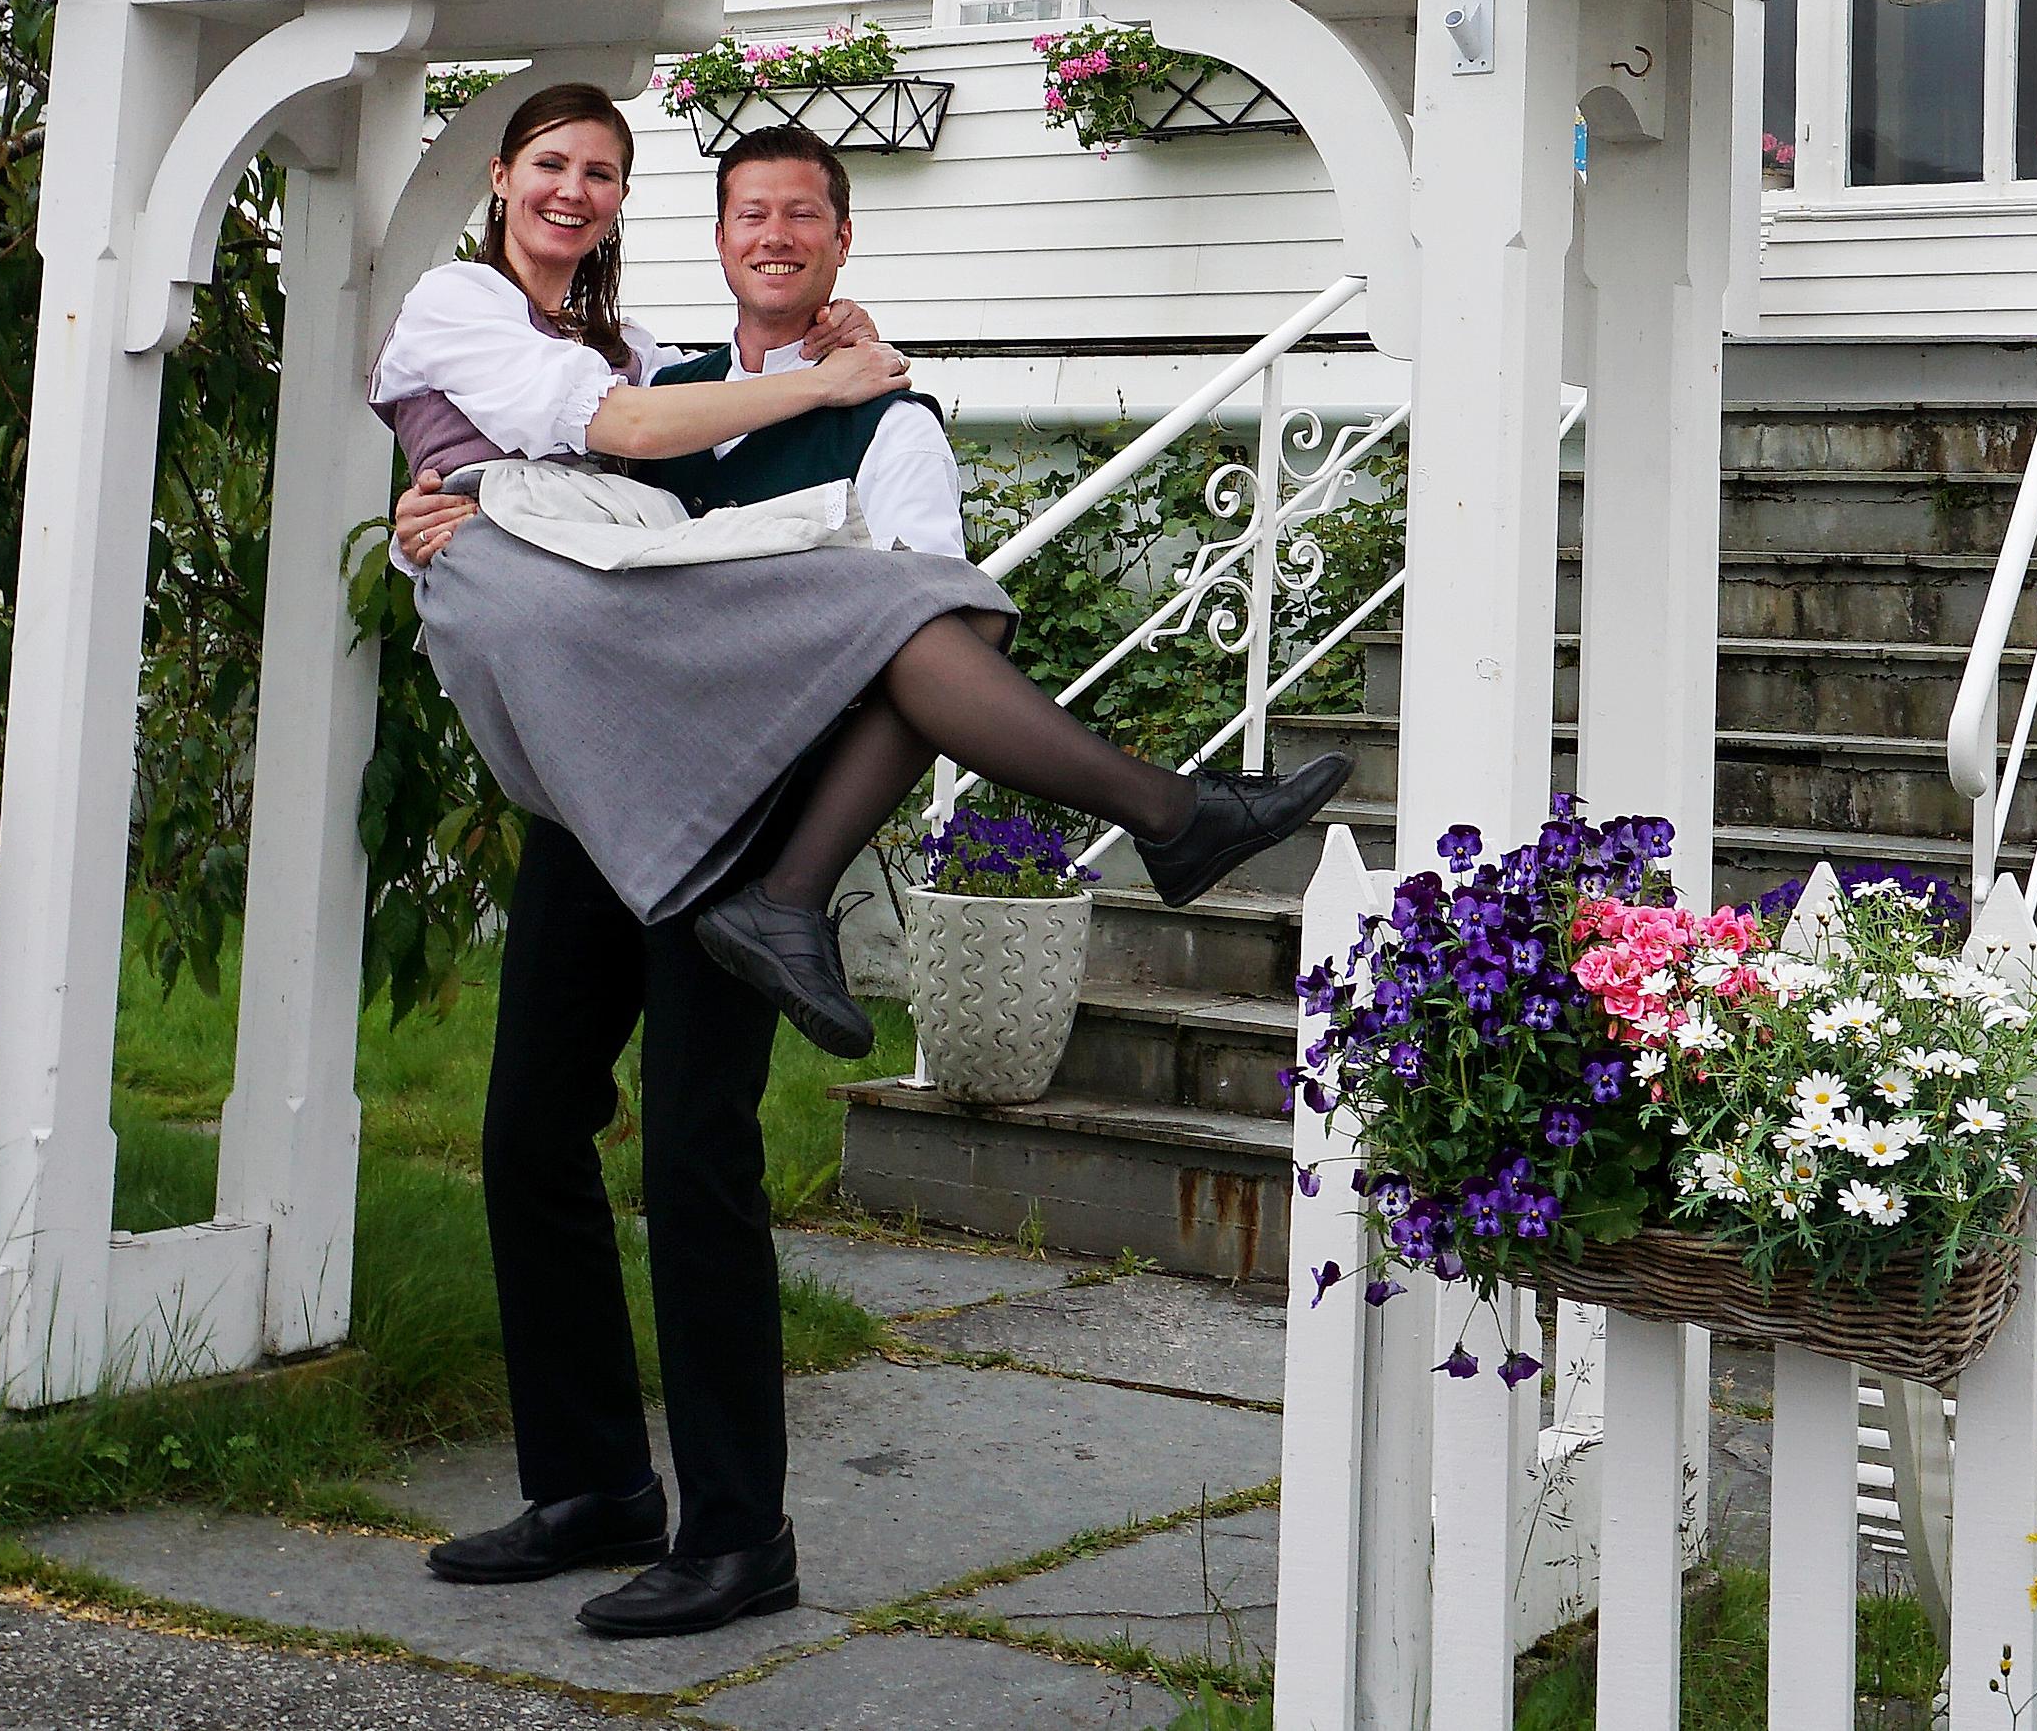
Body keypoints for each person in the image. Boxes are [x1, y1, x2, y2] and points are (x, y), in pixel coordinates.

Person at [377, 84, 1342, 1641]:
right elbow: (591, 473)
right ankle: (590, 1484)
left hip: (742, 818)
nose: (771, 235)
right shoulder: (653, 372)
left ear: (840, 240)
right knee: (527, 1134)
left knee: (696, 1158)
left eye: (801, 215)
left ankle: (737, 1531)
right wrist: (448, 501)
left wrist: (853, 378)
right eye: (745, 212)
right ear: (712, 236)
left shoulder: (884, 413)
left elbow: (913, 621)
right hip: (590, 800)